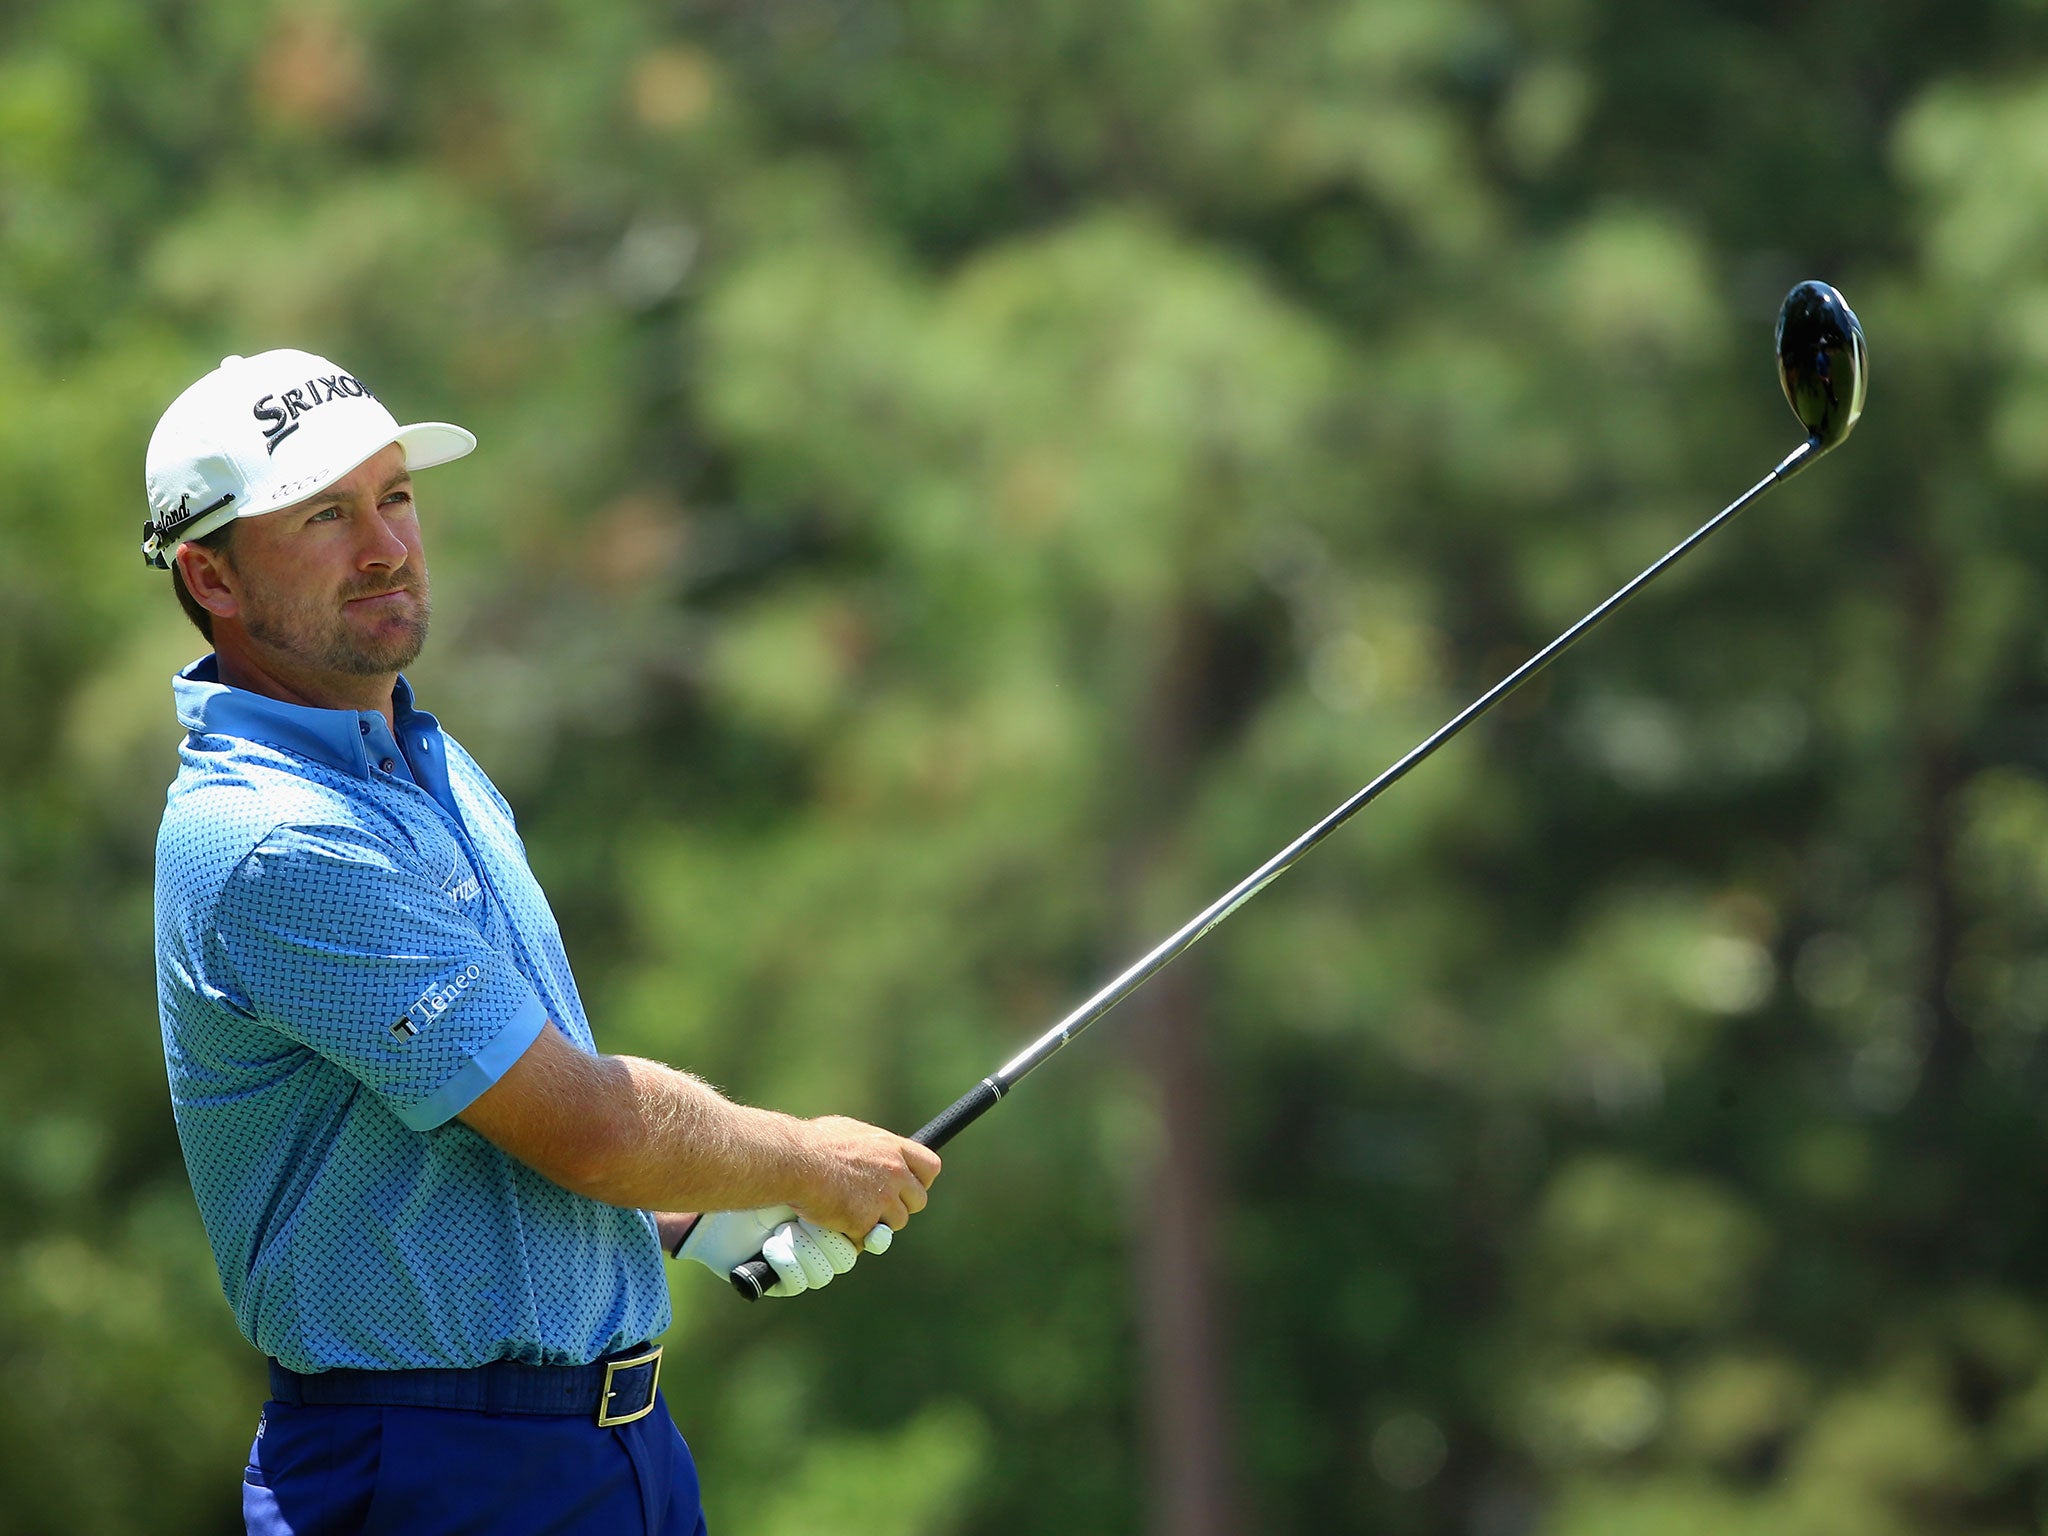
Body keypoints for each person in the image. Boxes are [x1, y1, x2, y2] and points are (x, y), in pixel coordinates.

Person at [145, 349, 942, 1535]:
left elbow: (495, 1100)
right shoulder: (273, 837)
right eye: (324, 515)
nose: (387, 546)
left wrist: (686, 1212)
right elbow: (591, 1127)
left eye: (395, 496)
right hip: (428, 1470)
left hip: (615, 1448)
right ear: (210, 573)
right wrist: (801, 1158)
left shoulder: (424, 762)